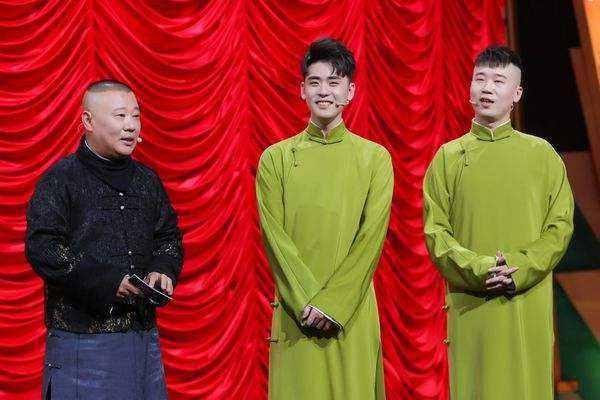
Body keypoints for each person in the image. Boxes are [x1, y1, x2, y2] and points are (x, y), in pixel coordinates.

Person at [423, 46, 574, 400]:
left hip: (526, 304)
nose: (487, 88)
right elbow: (436, 233)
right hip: (472, 308)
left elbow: (560, 227)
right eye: (480, 79)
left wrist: (519, 267)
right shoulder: (447, 158)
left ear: (517, 94)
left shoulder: (542, 155)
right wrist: (482, 269)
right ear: (470, 88)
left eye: (498, 80)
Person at [26, 80, 183, 400]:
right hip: (82, 342)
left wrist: (162, 269)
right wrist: (110, 282)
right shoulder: (60, 179)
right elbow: (44, 248)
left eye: (135, 116)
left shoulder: (147, 180)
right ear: (88, 121)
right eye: (120, 116)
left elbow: (168, 237)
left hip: (143, 340)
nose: (130, 126)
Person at [256, 38, 393, 400]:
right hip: (296, 316)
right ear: (302, 90)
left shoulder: (375, 159)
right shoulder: (275, 159)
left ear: (350, 91)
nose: (324, 91)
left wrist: (333, 304)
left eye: (334, 82)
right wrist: (306, 302)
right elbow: (275, 239)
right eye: (314, 82)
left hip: (353, 314)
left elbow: (370, 240)